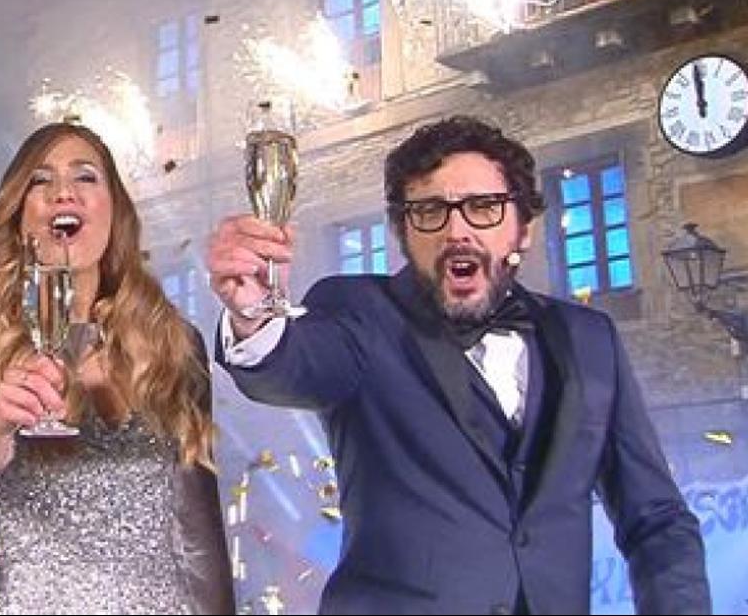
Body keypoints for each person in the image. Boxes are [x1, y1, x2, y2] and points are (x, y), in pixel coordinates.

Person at [206, 115, 711, 615]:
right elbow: (291, 367)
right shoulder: (357, 312)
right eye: (430, 211)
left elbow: (657, 521)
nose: (456, 231)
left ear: (524, 229)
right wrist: (253, 313)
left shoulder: (590, 338)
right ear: (403, 231)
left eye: (483, 207)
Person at [0, 122, 235, 614]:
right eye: (41, 180)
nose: (63, 192)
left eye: (85, 177)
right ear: (18, 217)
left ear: (114, 212)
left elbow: (199, 530)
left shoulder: (172, 343)